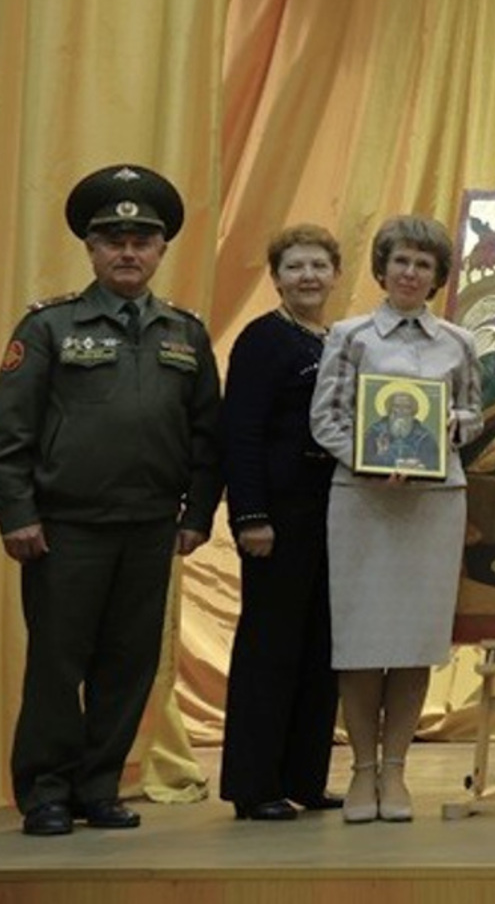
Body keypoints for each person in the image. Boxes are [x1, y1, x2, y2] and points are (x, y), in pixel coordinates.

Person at [0, 165, 222, 837]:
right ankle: (47, 792)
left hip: (151, 527)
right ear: (90, 249)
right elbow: (8, 432)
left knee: (128, 666)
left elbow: (208, 435)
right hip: (65, 529)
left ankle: (99, 787)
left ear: (160, 251)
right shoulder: (49, 326)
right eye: (113, 241)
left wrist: (197, 515)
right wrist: (16, 514)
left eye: (141, 241)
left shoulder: (185, 333)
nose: (128, 252)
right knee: (57, 664)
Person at [310, 216, 483, 824]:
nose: (410, 273)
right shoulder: (349, 335)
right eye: (401, 261)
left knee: (415, 641)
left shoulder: (459, 342)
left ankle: (396, 770)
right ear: (382, 268)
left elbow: (474, 414)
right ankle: (362, 770)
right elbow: (326, 417)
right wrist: (371, 457)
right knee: (360, 641)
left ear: (437, 277)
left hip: (434, 502)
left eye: (423, 264)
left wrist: (447, 430)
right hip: (363, 500)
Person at [220, 224, 346, 822]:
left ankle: (305, 777)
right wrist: (250, 515)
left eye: (318, 265)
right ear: (276, 278)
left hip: (335, 514)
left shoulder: (339, 341)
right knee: (270, 648)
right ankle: (254, 785)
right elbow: (240, 432)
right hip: (277, 516)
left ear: (336, 275)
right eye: (295, 267)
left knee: (321, 648)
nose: (308, 277)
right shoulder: (262, 339)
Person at [362, 388, 442, 473]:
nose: (401, 411)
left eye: (406, 407)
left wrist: (419, 466)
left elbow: (433, 466)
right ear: (390, 408)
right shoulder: (375, 432)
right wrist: (384, 457)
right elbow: (364, 462)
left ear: (413, 410)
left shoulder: (424, 437)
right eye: (396, 406)